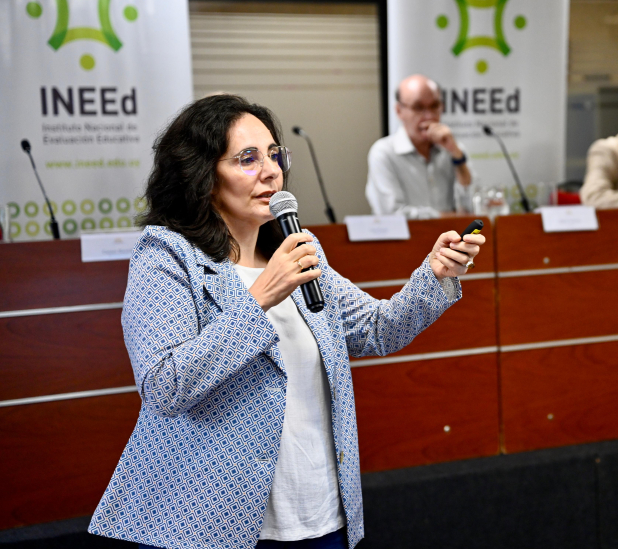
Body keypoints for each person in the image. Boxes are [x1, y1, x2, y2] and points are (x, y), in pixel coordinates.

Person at [87, 94, 485, 549]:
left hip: (319, 515)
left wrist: (435, 274)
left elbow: (376, 330)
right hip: (211, 523)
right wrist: (259, 299)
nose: (271, 171)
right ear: (202, 175)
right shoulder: (167, 256)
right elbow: (163, 386)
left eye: (275, 155)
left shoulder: (296, 246)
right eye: (248, 158)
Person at [366, 74, 474, 219]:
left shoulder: (454, 149)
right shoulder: (384, 153)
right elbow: (392, 215)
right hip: (407, 235)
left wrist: (457, 156)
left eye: (434, 106)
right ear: (399, 111)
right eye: (418, 107)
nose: (429, 116)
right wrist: (445, 218)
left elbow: (471, 207)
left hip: (453, 233)